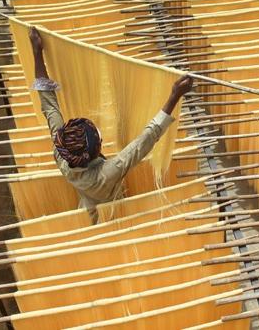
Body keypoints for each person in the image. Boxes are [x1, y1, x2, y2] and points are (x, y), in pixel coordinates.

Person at [29, 28, 193, 223]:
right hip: (114, 213)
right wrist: (174, 96)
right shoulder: (106, 174)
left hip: (87, 207)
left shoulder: (62, 152)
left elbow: (49, 105)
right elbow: (144, 142)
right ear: (96, 150)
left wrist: (37, 53)